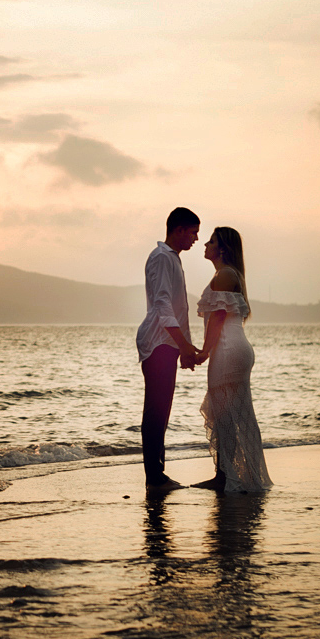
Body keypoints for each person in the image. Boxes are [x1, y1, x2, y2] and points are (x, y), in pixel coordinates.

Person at [193, 227, 272, 493]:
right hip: (234, 348)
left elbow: (217, 317)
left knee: (225, 412)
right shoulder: (226, 274)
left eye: (211, 240)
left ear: (223, 248)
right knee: (233, 412)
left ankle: (227, 477)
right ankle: (232, 474)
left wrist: (204, 351)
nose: (205, 244)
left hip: (227, 349)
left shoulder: (225, 274)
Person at [136, 207, 202, 489]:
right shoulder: (163, 258)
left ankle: (157, 475)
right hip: (159, 342)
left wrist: (183, 347)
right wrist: (184, 346)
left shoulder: (171, 258)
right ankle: (154, 478)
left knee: (161, 410)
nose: (196, 239)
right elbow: (163, 306)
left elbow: (172, 307)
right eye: (193, 232)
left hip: (166, 343)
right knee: (156, 410)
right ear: (179, 230)